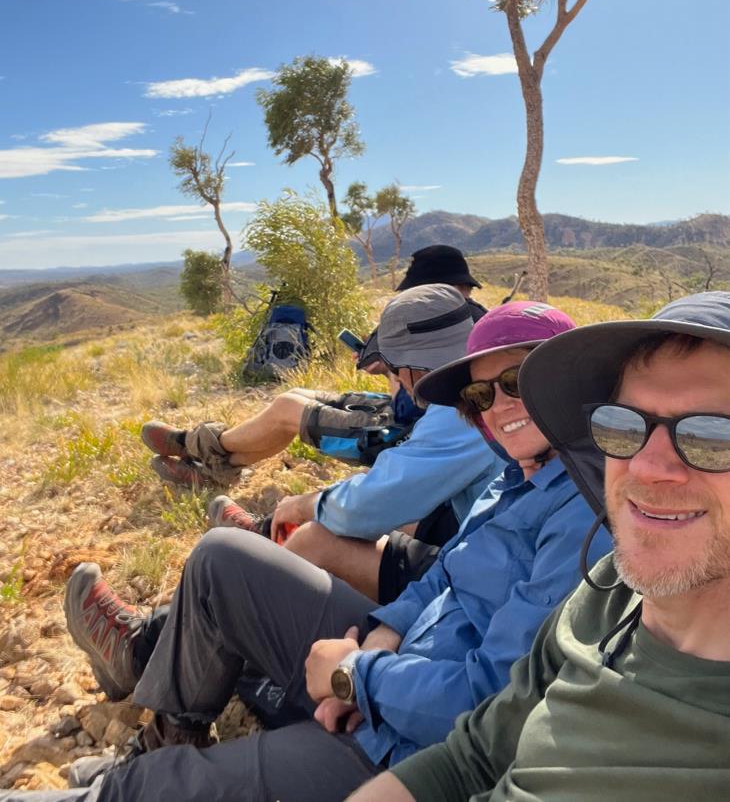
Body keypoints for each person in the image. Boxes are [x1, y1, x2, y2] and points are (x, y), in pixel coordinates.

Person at [2, 300, 611, 802]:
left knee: (150, 789)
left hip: (417, 751)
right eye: (478, 396)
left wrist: (357, 679)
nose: (498, 406)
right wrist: (380, 639)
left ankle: (133, 777)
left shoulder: (586, 520)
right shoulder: (518, 475)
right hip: (398, 675)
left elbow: (496, 704)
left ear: (568, 381)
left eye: (516, 383)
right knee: (223, 558)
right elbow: (443, 576)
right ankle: (170, 734)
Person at [347, 290, 730, 802]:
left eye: (712, 436)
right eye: (622, 424)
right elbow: (472, 754)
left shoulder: (584, 532)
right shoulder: (604, 589)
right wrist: (381, 640)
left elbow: (476, 700)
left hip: (400, 720)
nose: (646, 466)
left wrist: (356, 676)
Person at [146, 284, 504, 604]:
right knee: (367, 504)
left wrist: (306, 504)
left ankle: (174, 626)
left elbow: (373, 505)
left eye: (395, 369)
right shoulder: (475, 384)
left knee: (318, 537)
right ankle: (248, 509)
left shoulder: (459, 411)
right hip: (476, 533)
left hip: (484, 574)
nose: (395, 378)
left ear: (413, 368)